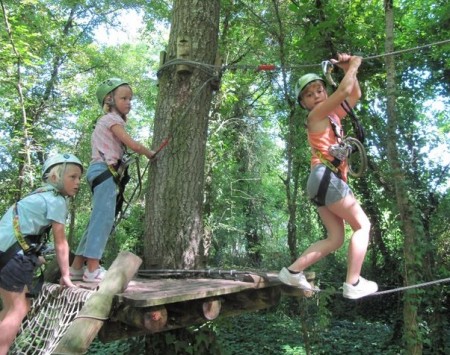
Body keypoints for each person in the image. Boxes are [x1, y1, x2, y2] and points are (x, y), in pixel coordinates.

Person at [278, 53, 378, 299]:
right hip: (326, 178)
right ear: (304, 103)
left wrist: (346, 70)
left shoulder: (332, 115)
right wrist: (354, 64)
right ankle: (353, 283)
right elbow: (343, 92)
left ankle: (292, 272)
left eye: (319, 90)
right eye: (309, 94)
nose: (316, 96)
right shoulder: (316, 115)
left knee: (335, 239)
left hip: (321, 181)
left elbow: (354, 94)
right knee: (362, 226)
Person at [69, 78, 155, 283]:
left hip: (101, 172)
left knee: (96, 220)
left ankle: (77, 267)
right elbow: (132, 144)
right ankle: (92, 269)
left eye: (130, 99)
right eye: (123, 98)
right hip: (104, 172)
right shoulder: (110, 120)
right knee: (104, 219)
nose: (129, 103)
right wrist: (148, 152)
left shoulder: (107, 121)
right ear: (110, 99)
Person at [0, 153, 82, 352]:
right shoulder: (56, 200)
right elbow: (61, 242)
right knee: (18, 309)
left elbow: (21, 233)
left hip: (7, 255)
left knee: (15, 307)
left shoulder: (36, 197)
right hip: (13, 259)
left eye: (79, 178)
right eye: (72, 177)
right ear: (55, 178)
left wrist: (35, 255)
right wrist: (65, 275)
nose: (78, 182)